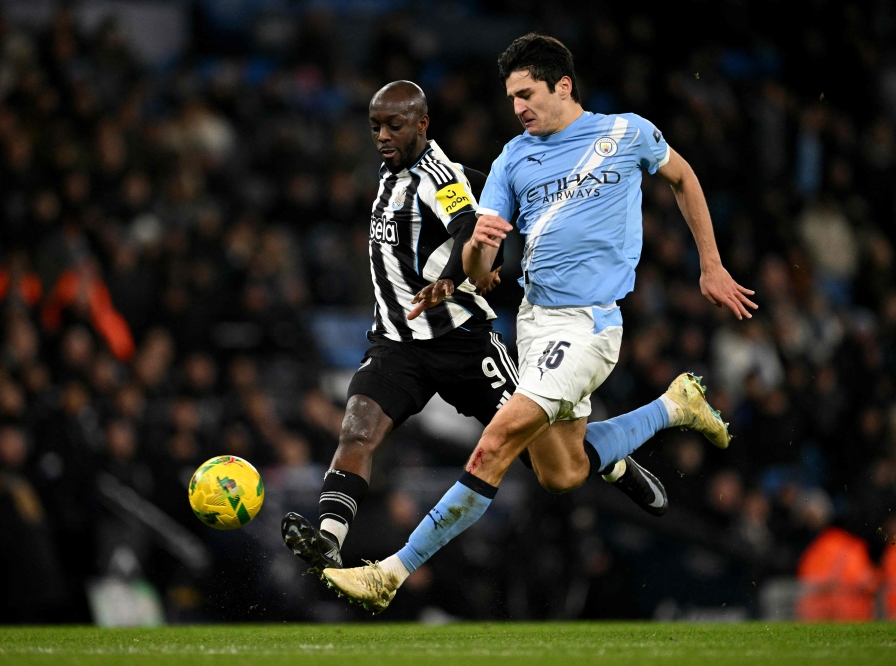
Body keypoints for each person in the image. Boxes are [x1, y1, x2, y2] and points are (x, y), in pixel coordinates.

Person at [321, 35, 758, 613]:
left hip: (592, 325)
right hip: (535, 323)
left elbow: (684, 178)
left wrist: (711, 264)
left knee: (496, 440)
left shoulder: (625, 133)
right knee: (561, 471)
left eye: (526, 94)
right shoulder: (510, 159)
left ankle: (391, 572)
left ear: (563, 86)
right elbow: (484, 263)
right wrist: (469, 263)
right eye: (511, 98)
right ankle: (674, 406)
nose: (518, 107)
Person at [279, 81, 513, 572]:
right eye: (375, 126)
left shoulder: (437, 177)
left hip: (460, 341)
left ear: (422, 124)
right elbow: (484, 202)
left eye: (394, 125)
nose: (382, 135)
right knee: (355, 433)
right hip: (396, 343)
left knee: (543, 453)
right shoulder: (390, 175)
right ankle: (328, 541)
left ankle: (619, 459)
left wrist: (450, 280)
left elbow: (470, 228)